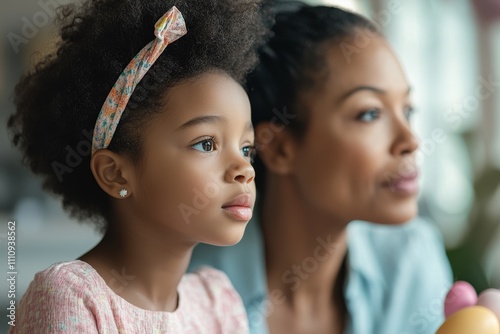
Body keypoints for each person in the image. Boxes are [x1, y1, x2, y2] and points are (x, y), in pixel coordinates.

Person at [189, 3, 453, 334]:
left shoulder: (411, 259)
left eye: (407, 110)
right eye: (370, 114)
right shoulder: (189, 292)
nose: (410, 141)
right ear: (279, 148)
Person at [7, 0, 265, 332]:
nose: (245, 169)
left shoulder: (218, 299)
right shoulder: (71, 297)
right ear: (115, 173)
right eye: (206, 143)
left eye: (246, 148)